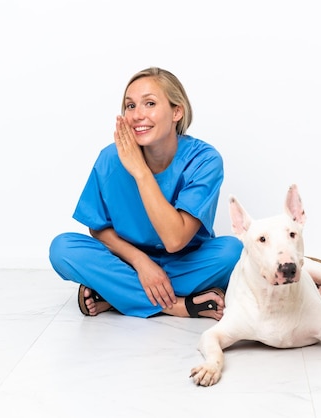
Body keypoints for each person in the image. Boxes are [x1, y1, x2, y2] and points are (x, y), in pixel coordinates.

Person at [49, 67, 243, 320]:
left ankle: (115, 294)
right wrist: (141, 263)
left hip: (186, 261)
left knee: (233, 252)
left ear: (177, 111)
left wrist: (140, 172)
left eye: (149, 103)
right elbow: (97, 228)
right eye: (130, 106)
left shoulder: (205, 160)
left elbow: (175, 240)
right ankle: (177, 306)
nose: (137, 115)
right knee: (63, 248)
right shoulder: (110, 158)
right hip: (128, 262)